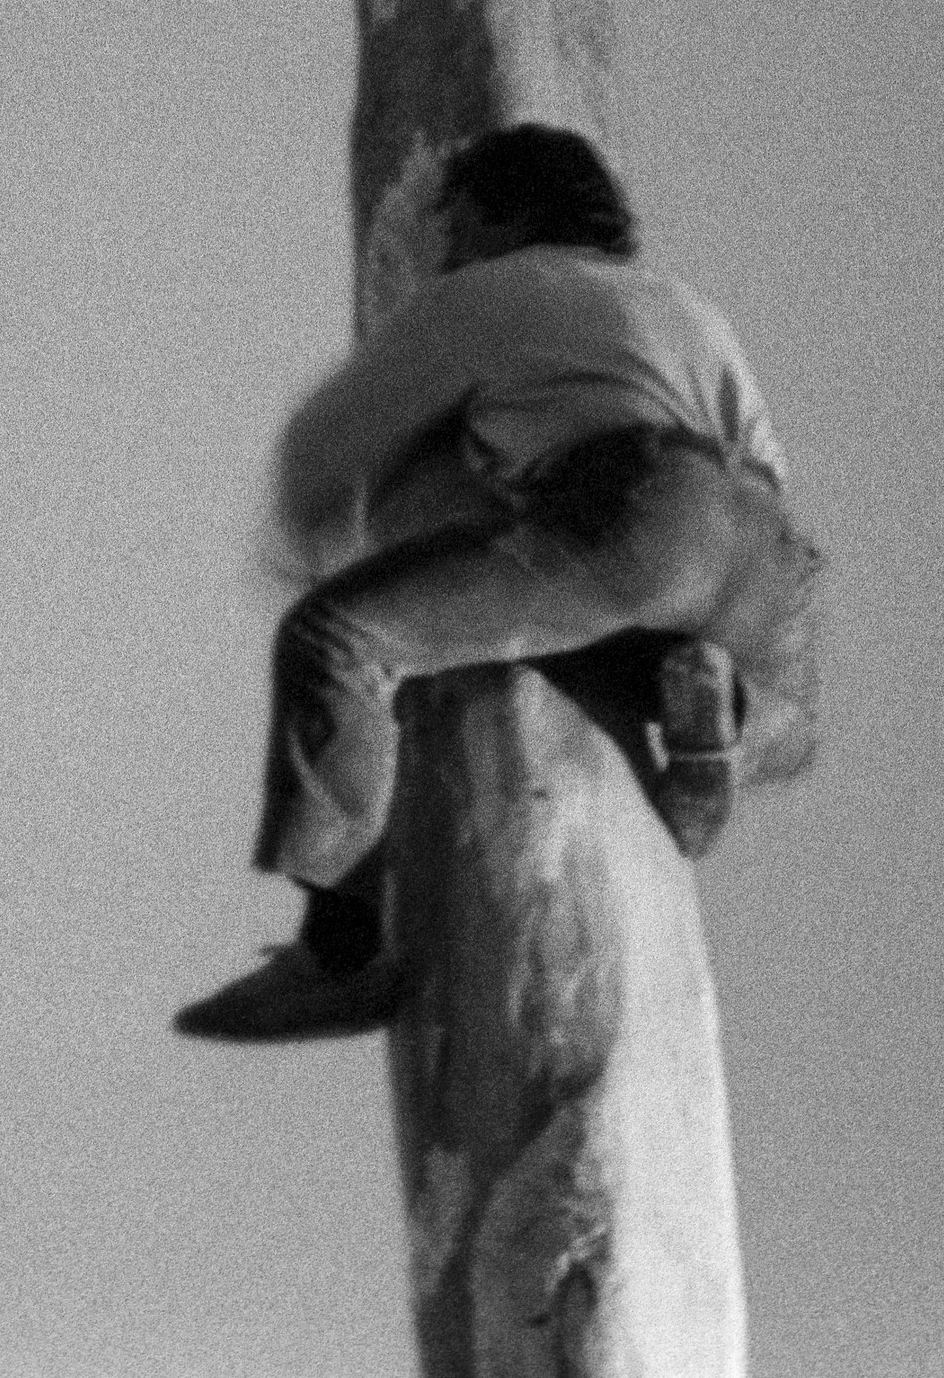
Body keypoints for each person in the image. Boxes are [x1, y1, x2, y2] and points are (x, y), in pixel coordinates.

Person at [175, 123, 823, 1044]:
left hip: (637, 510)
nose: (447, 243)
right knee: (631, 655)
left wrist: (306, 530)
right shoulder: (684, 308)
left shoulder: (491, 293)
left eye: (458, 220)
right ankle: (716, 713)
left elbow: (330, 439)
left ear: (503, 214)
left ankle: (342, 952)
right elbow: (764, 473)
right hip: (764, 558)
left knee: (337, 637)